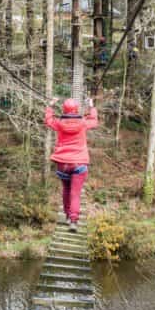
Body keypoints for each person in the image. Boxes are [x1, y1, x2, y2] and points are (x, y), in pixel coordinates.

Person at [44, 96, 99, 232]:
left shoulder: (59, 123)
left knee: (66, 190)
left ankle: (68, 216)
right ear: (76, 110)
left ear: (64, 109)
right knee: (75, 194)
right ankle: (73, 221)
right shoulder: (83, 123)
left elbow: (48, 120)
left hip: (63, 163)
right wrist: (91, 107)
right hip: (79, 163)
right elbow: (94, 121)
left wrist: (50, 106)